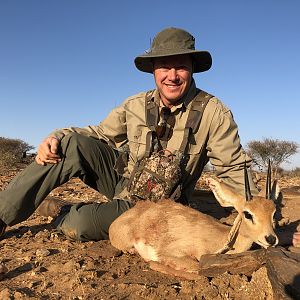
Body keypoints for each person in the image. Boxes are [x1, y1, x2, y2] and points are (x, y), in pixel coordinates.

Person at [0, 27, 298, 246]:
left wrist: (267, 224)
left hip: (158, 206)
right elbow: (98, 134)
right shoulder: (134, 105)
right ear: (153, 70)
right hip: (124, 184)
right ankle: (2, 215)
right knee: (68, 144)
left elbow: (234, 168)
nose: (172, 74)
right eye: (164, 65)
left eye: (181, 65)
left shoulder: (214, 112)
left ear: (192, 69)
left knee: (78, 225)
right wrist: (54, 136)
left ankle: (64, 211)